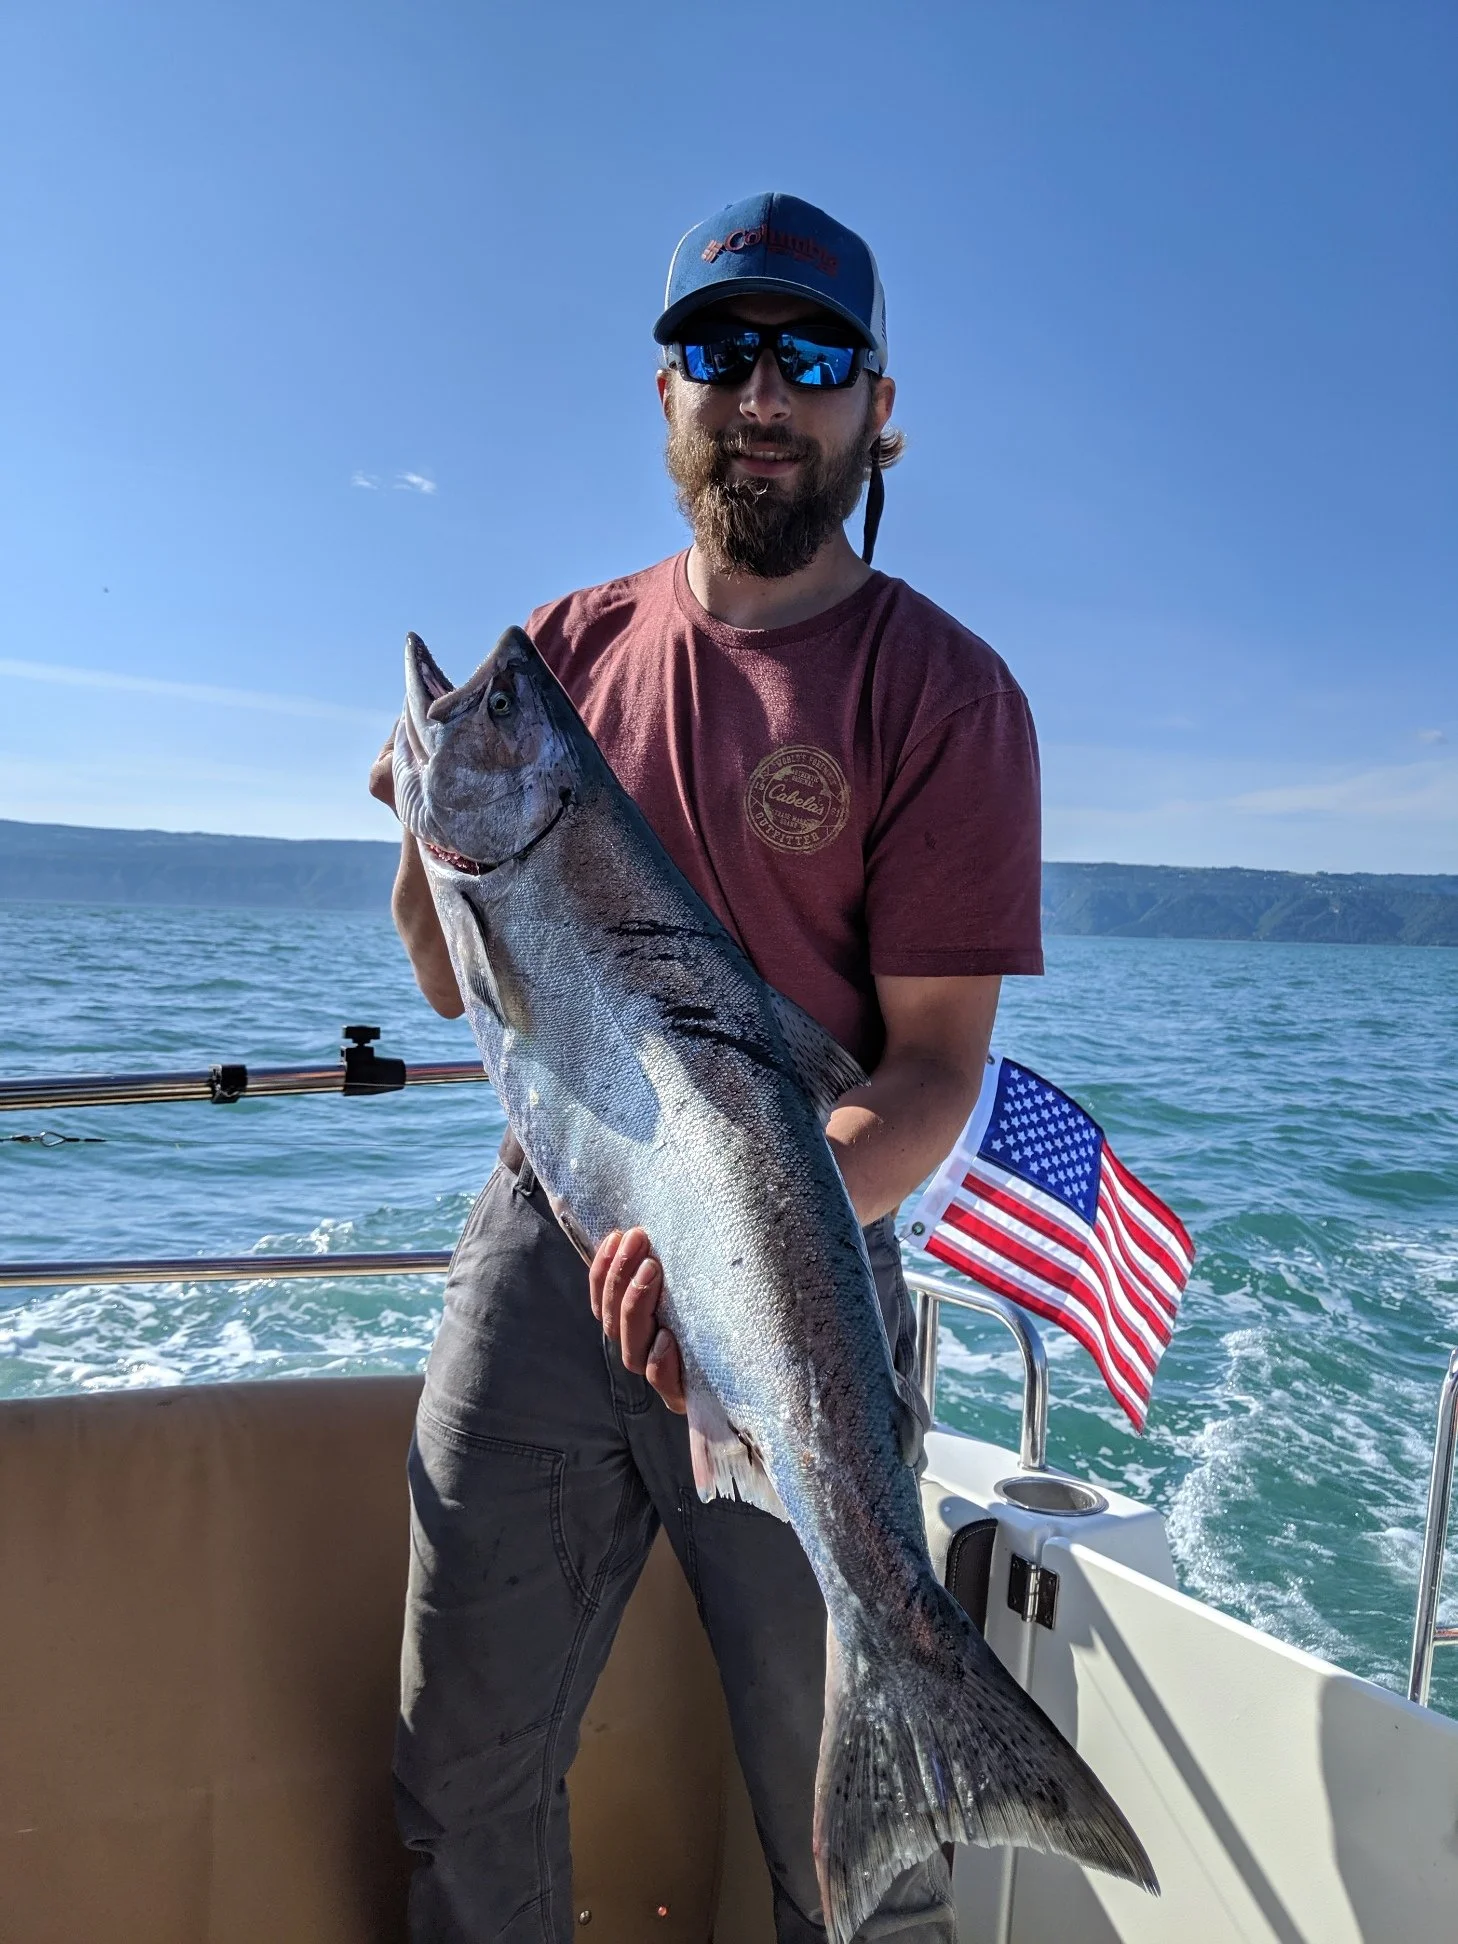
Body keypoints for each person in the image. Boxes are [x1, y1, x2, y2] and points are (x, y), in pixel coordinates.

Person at [369, 191, 1043, 1943]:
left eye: (810, 356)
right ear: (664, 392)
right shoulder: (560, 659)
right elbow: (461, 988)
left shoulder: (944, 696)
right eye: (719, 350)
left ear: (876, 407)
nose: (763, 390)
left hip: (790, 1264)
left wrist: (733, 1258)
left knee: (841, 1837)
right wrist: (425, 838)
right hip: (539, 1254)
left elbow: (933, 1073)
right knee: (461, 1777)